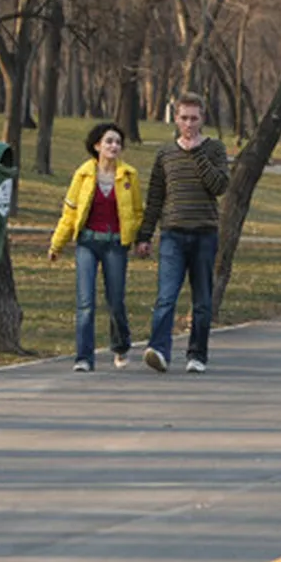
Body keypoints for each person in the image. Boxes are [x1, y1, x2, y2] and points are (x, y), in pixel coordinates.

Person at [135, 92, 230, 374]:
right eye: (184, 118)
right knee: (166, 295)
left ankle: (197, 354)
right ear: (175, 119)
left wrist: (197, 154)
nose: (189, 124)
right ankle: (159, 350)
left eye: (194, 118)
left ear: (202, 119)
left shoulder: (214, 149)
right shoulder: (165, 154)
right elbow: (155, 196)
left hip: (204, 233)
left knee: (202, 299)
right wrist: (144, 235)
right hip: (172, 234)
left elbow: (219, 186)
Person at [48, 123, 143, 372]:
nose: (114, 146)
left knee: (115, 301)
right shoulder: (82, 175)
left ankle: (121, 346)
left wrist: (137, 239)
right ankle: (84, 357)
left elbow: (136, 212)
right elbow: (69, 213)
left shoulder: (129, 176)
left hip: (115, 244)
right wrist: (57, 244)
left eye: (118, 142)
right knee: (85, 303)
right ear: (97, 146)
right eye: (109, 141)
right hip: (87, 244)